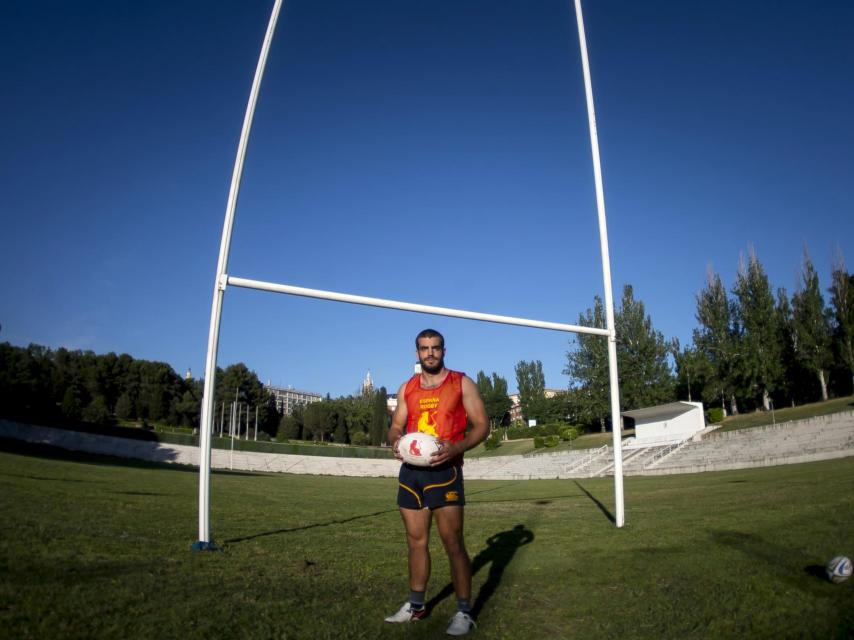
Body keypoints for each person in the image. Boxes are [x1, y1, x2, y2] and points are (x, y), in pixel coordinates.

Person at [384, 329, 489, 636]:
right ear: (416, 353)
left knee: (453, 543)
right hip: (412, 473)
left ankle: (464, 612)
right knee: (415, 541)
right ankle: (416, 607)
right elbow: (396, 426)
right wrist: (395, 441)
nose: (429, 353)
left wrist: (456, 448)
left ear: (444, 350)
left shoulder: (461, 383)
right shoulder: (408, 388)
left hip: (446, 470)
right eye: (423, 348)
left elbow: (483, 425)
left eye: (435, 348)